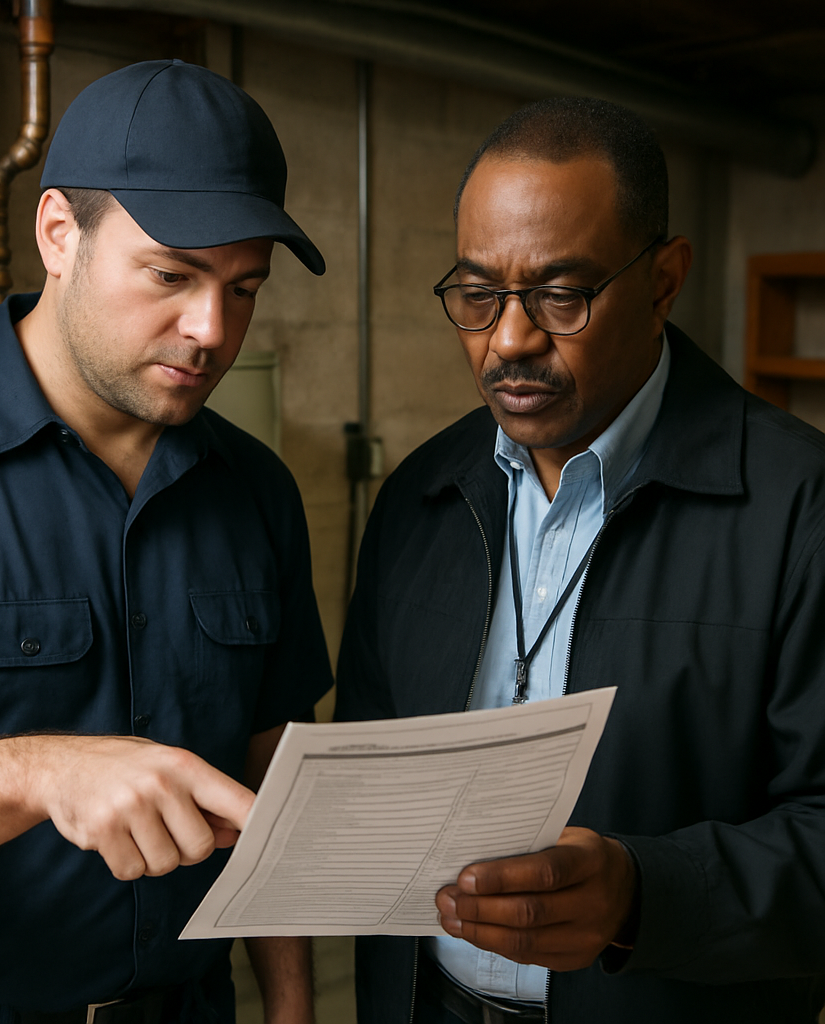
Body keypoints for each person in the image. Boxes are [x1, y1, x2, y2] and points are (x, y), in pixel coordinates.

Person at [0, 60, 333, 1024]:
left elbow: (270, 782)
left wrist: (293, 1012)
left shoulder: (259, 492)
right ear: (58, 233)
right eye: (171, 275)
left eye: (243, 287)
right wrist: (40, 771)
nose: (212, 329)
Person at [335, 96, 825, 1023]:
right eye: (478, 296)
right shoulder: (416, 501)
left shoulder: (801, 507)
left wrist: (644, 896)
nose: (511, 339)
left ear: (666, 280)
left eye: (563, 296)